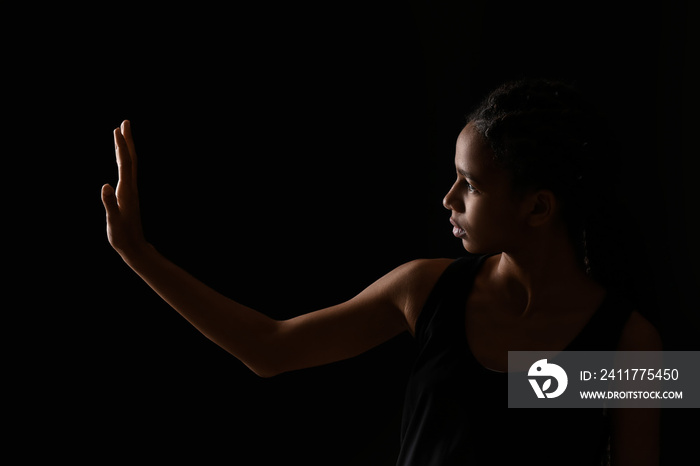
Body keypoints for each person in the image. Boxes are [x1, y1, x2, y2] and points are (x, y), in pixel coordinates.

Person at [102, 79, 661, 465]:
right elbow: (269, 349)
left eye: (472, 185)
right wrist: (139, 254)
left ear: (538, 207)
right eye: (454, 177)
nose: (448, 198)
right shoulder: (426, 289)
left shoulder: (631, 347)